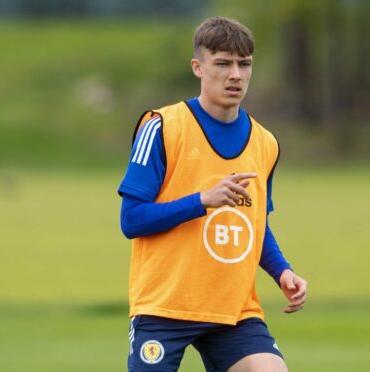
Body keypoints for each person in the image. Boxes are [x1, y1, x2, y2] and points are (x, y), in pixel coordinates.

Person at [117, 16, 307, 372]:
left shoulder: (265, 142)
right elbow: (131, 220)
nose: (235, 74)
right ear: (198, 67)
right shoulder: (161, 127)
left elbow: (254, 224)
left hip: (232, 310)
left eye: (244, 64)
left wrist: (282, 270)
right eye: (222, 63)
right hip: (165, 307)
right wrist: (201, 201)